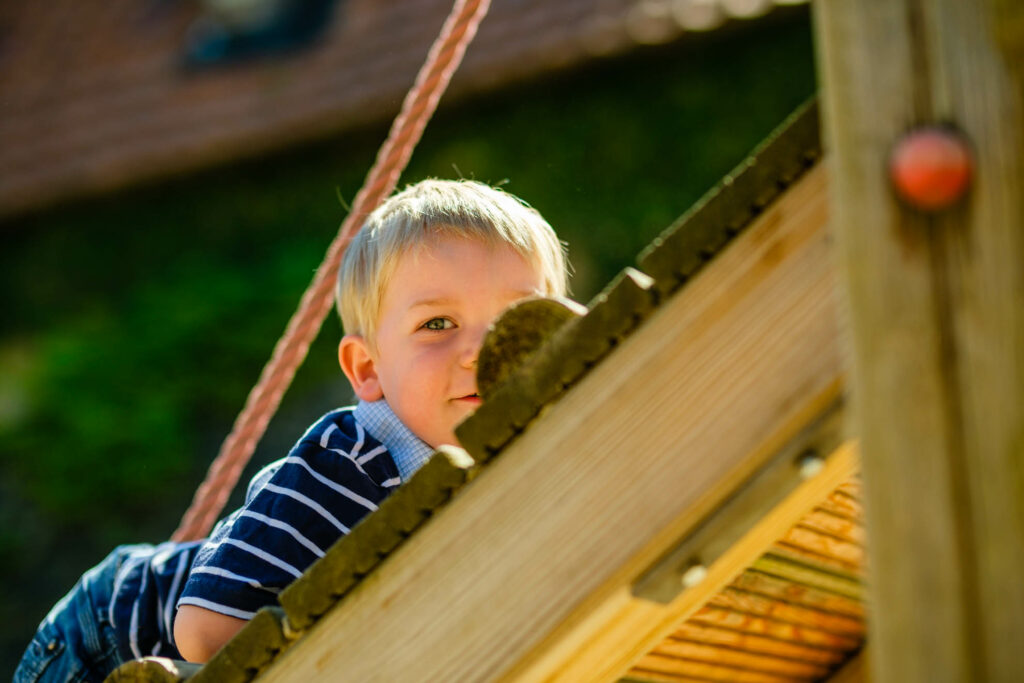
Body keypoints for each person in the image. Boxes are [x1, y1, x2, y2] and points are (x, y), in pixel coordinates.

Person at [15, 179, 570, 682]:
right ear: (367, 370)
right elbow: (204, 632)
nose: (479, 351)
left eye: (511, 321)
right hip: (105, 641)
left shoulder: (531, 469)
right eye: (437, 324)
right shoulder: (350, 469)